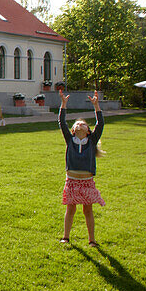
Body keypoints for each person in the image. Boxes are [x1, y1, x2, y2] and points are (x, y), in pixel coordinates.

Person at [58, 90, 105, 247]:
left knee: (87, 211)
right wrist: (63, 105)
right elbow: (62, 122)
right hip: (71, 181)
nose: (80, 124)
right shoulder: (70, 140)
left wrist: (96, 106)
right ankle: (66, 237)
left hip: (86, 182)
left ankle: (91, 240)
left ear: (88, 130)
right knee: (70, 210)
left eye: (83, 123)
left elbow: (101, 124)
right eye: (77, 123)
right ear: (73, 130)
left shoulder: (91, 142)